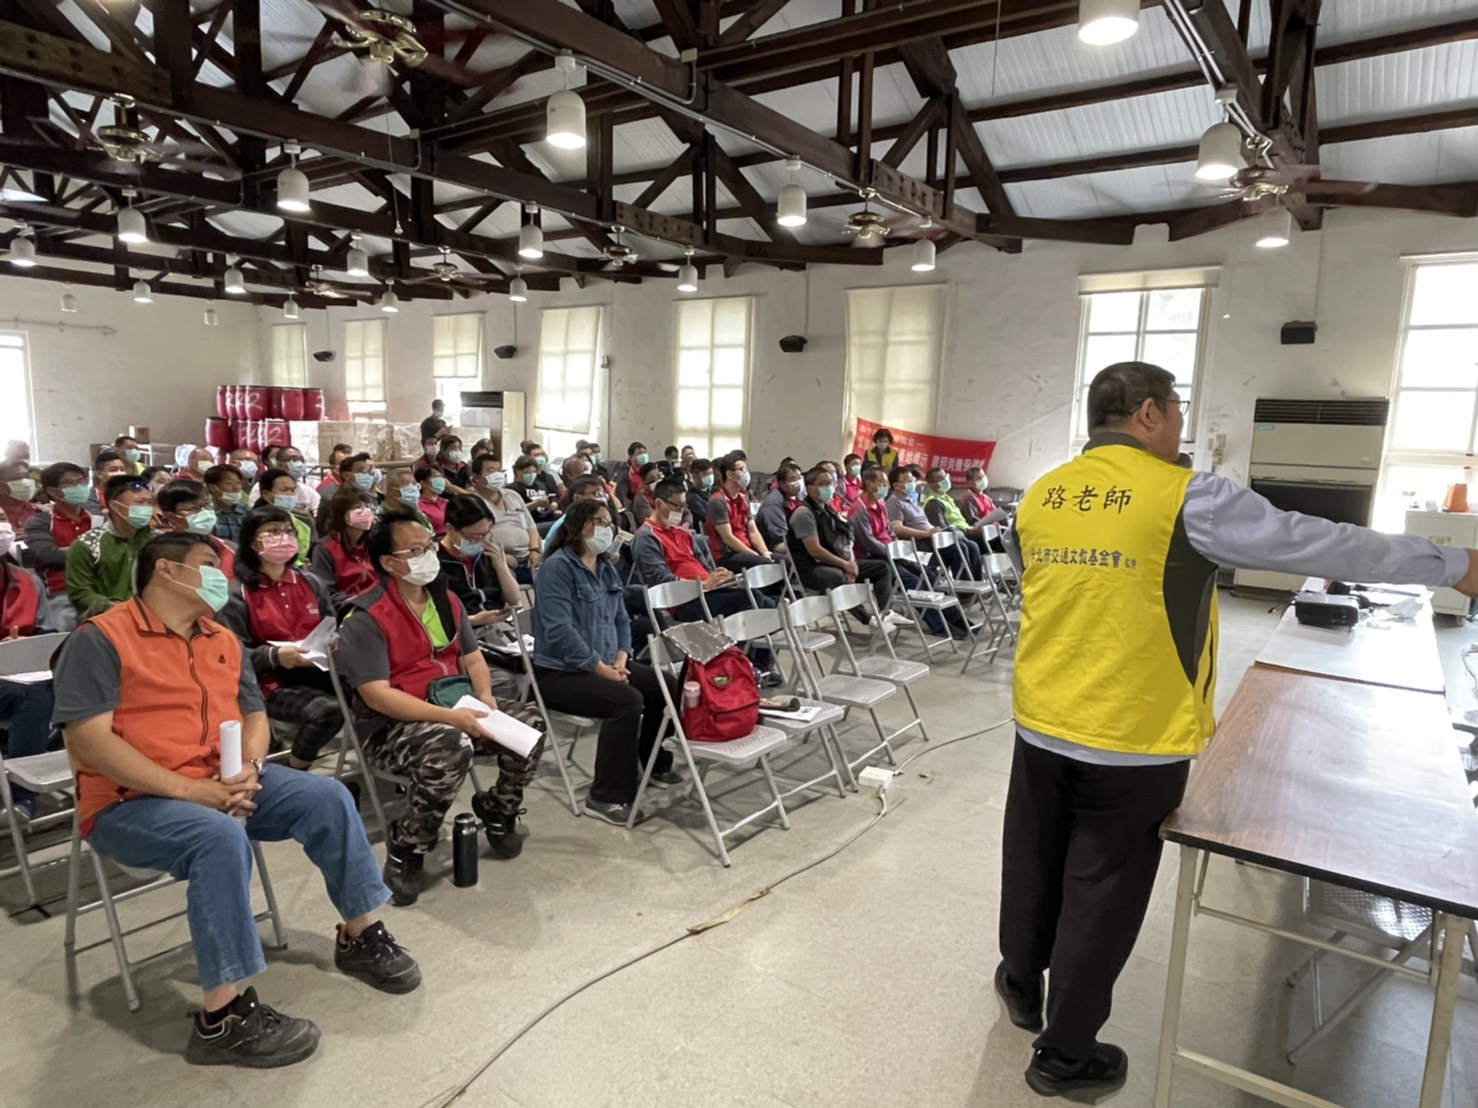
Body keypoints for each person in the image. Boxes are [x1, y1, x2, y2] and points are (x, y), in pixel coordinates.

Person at [996, 360, 1478, 1097]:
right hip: (1131, 734)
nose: (1181, 428)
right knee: (1102, 888)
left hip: (1041, 721)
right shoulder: (1187, 497)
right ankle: (1064, 1055)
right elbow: (1321, 543)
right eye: (1177, 411)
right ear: (1149, 414)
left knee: (1033, 857)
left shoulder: (1043, 494)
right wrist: (1449, 563)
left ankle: (1020, 982)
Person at [53, 532, 419, 1067]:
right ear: (166, 571)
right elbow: (88, 740)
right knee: (218, 836)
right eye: (208, 564)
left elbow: (253, 715)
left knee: (327, 796)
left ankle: (358, 935)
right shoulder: (101, 639)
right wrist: (192, 791)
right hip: (129, 803)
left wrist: (248, 770)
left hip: (220, 782)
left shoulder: (220, 638)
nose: (222, 577)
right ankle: (220, 1019)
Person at [337, 517, 544, 904]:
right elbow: (377, 696)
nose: (427, 555)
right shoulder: (366, 617)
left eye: (429, 546)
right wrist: (452, 719)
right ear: (388, 563)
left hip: (454, 703)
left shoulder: (445, 600)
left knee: (530, 725)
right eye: (414, 551)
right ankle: (409, 843)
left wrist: (486, 697)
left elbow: (473, 658)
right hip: (390, 727)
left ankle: (499, 807)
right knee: (451, 745)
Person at [532, 499, 680, 824]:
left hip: (607, 662)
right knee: (627, 701)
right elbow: (559, 631)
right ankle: (605, 796)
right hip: (560, 672)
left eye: (609, 522)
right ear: (579, 526)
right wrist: (600, 669)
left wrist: (622, 658)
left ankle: (652, 763)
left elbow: (621, 619)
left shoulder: (605, 567)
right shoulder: (557, 568)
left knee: (665, 685)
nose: (608, 528)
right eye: (600, 521)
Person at [219, 506, 343, 771]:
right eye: (273, 532)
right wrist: (274, 657)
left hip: (318, 670)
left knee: (375, 689)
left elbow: (330, 627)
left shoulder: (311, 582)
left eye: (288, 531)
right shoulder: (238, 594)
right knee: (328, 710)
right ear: (252, 542)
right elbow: (231, 654)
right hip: (270, 682)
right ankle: (296, 767)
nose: (283, 537)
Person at [853, 465, 958, 638]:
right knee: (913, 582)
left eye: (886, 483)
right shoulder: (860, 509)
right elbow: (868, 542)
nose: (885, 487)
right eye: (882, 483)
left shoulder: (880, 504)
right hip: (874, 558)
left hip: (891, 553)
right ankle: (940, 627)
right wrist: (892, 551)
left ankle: (956, 619)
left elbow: (889, 531)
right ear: (869, 484)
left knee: (928, 574)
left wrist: (896, 547)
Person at [787, 467, 895, 632]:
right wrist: (844, 566)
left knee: (882, 568)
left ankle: (886, 613)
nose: (829, 487)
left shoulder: (828, 509)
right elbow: (815, 550)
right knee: (836, 576)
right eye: (823, 484)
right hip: (810, 567)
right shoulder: (804, 514)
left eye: (830, 483)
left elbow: (845, 540)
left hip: (836, 561)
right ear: (810, 489)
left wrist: (851, 563)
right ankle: (868, 620)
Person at [0, 505, 55, 816]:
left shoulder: (27, 580)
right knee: (33, 698)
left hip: (27, 671)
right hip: (14, 684)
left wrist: (29, 646)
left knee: (78, 683)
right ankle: (23, 795)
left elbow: (47, 630)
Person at [66, 474, 155, 619]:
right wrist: (117, 609)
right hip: (106, 619)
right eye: (139, 502)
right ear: (114, 506)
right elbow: (80, 592)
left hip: (153, 615)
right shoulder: (87, 544)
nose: (146, 508)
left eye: (149, 502)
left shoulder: (159, 541)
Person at [437, 496, 522, 629]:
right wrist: (471, 620)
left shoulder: (487, 553)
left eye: (486, 534)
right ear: (450, 528)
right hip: (461, 631)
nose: (481, 541)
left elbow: (514, 599)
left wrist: (500, 565)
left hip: (498, 627)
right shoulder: (436, 561)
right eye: (474, 536)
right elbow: (435, 614)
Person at [25, 462, 92, 631]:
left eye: (82, 481)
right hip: (62, 591)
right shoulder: (41, 521)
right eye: (70, 483)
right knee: (65, 622)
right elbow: (49, 554)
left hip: (100, 587)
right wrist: (90, 551)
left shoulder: (97, 520)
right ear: (53, 491)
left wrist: (69, 550)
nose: (79, 487)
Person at [309, 488, 380, 610]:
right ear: (343, 515)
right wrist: (356, 602)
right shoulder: (324, 548)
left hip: (378, 602)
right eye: (357, 507)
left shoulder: (375, 542)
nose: (365, 511)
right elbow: (326, 592)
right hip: (346, 607)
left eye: (367, 507)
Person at [154, 479, 236, 579]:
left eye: (207, 505)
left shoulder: (229, 549)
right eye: (192, 508)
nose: (204, 512)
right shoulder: (159, 552)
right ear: (170, 516)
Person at [707, 455, 773, 573]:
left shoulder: (743, 497)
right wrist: (755, 555)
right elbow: (728, 538)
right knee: (766, 565)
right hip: (728, 554)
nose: (746, 474)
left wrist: (765, 552)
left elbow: (753, 530)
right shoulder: (718, 500)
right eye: (742, 470)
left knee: (785, 561)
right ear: (730, 475)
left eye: (747, 469)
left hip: (747, 549)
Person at [920, 467, 986, 579]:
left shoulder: (946, 498)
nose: (945, 479)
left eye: (945, 476)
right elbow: (943, 529)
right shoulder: (933, 502)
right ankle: (964, 585)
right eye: (940, 478)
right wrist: (966, 531)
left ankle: (976, 582)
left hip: (961, 534)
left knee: (973, 546)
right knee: (964, 547)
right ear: (932, 485)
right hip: (947, 540)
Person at [257, 468, 314, 564]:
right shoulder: (256, 521)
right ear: (266, 494)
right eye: (284, 490)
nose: (290, 495)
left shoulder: (302, 520)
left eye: (292, 490)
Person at [315, 452, 379, 533]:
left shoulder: (369, 497)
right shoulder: (330, 500)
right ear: (346, 476)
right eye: (362, 471)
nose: (368, 475)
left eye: (370, 471)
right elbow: (324, 533)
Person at [542, 475, 608, 552]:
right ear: (577, 498)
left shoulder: (593, 521)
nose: (603, 499)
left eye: (604, 494)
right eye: (597, 494)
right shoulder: (566, 525)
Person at [756, 462, 803, 550]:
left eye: (799, 478)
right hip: (776, 545)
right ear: (782, 484)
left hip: (795, 539)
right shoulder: (773, 503)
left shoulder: (798, 498)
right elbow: (780, 535)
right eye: (793, 479)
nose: (798, 482)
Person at [204, 464, 248, 543]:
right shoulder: (205, 515)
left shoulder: (247, 512)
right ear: (212, 488)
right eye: (229, 484)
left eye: (238, 483)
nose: (236, 488)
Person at [512, 455, 559, 528]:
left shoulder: (541, 485)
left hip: (548, 518)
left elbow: (554, 497)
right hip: (529, 524)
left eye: (533, 472)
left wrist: (554, 503)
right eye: (527, 472)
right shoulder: (512, 489)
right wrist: (535, 504)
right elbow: (515, 510)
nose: (531, 475)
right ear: (518, 472)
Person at [961, 466, 1008, 530]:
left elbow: (996, 515)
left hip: (995, 529)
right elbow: (973, 521)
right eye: (979, 478)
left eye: (984, 476)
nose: (983, 479)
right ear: (970, 483)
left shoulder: (987, 498)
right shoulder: (969, 498)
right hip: (982, 531)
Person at [0, 459, 40, 532]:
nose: (24, 482)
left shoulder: (41, 511)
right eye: (16, 479)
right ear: (1, 485)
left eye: (27, 477)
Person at [411, 464, 451, 536]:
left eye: (441, 476)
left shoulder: (446, 502)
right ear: (423, 483)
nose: (440, 480)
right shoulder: (418, 506)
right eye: (435, 476)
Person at [613, 442, 649, 506]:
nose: (643, 456)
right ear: (631, 457)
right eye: (639, 454)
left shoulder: (650, 471)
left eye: (644, 453)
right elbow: (622, 496)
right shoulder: (626, 474)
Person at [629, 461, 663, 527]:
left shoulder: (664, 493)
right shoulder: (641, 499)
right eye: (652, 478)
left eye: (659, 476)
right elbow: (652, 522)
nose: (657, 480)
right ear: (644, 482)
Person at [685, 459, 715, 533]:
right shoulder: (692, 497)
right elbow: (706, 517)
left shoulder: (713, 491)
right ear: (695, 476)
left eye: (711, 473)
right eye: (705, 474)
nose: (709, 477)